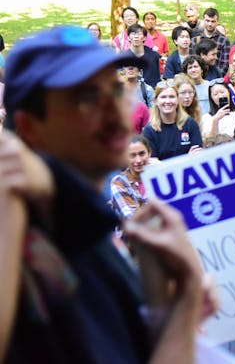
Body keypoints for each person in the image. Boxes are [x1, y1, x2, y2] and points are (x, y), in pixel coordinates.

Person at [0, 26, 209, 362]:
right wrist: (185, 307)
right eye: (87, 99)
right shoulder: (27, 246)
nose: (114, 113)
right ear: (28, 127)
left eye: (115, 91)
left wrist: (171, 304)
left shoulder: (84, 229)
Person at [143, 82, 203, 159]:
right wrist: (187, 157)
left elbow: (197, 156)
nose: (168, 101)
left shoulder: (190, 124)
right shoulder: (149, 130)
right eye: (163, 97)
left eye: (171, 97)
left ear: (178, 100)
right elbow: (153, 164)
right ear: (156, 101)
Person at [108, 134, 152, 222]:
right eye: (133, 155)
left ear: (149, 153)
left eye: (142, 154)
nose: (138, 160)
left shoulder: (158, 177)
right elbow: (132, 218)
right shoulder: (119, 182)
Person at [190, 7, 231, 73]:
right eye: (207, 21)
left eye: (213, 21)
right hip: (197, 77)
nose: (210, 24)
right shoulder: (195, 40)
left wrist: (216, 77)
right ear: (203, 20)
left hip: (217, 78)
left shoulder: (224, 41)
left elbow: (225, 65)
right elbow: (190, 61)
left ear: (217, 21)